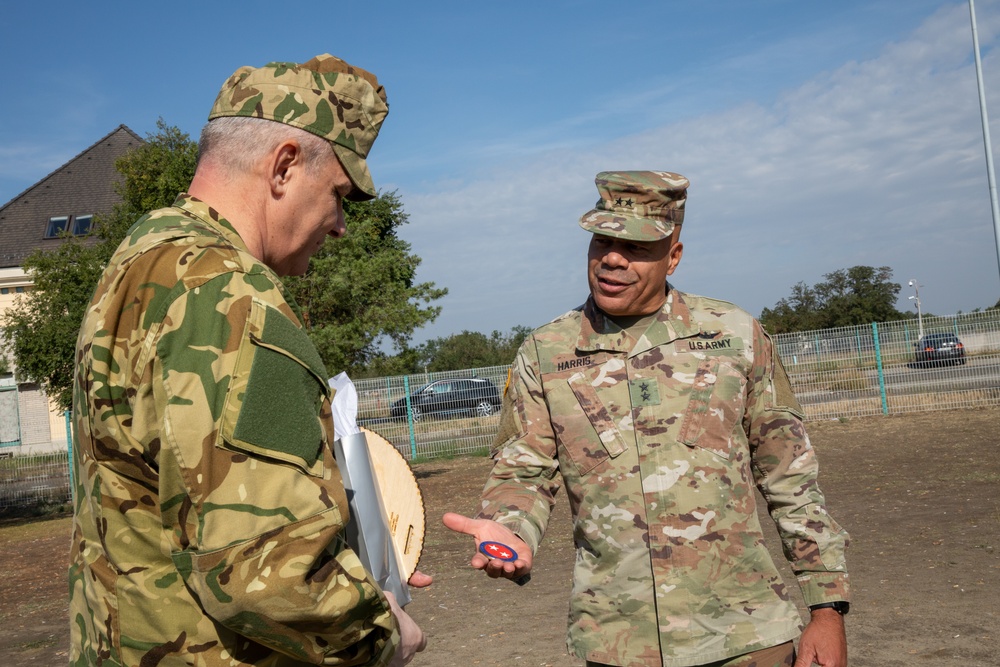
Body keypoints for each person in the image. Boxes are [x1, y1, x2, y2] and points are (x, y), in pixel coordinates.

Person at [69, 54, 427, 667]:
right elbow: (265, 568)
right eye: (339, 194)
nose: (339, 225)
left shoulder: (139, 261)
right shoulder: (228, 295)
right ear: (285, 166)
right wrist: (380, 631)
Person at [444, 171, 850, 667]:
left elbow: (791, 478)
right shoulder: (546, 352)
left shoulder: (735, 337)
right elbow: (525, 469)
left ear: (673, 256)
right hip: (618, 642)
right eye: (602, 241)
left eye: (635, 246)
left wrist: (827, 608)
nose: (612, 259)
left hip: (746, 633)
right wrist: (510, 526)